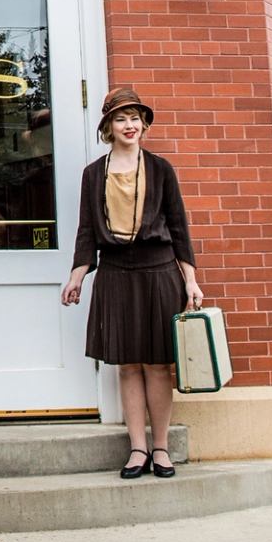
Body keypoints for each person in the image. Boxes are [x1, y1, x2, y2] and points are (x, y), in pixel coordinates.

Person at [60, 87, 203, 479]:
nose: (130, 125)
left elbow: (179, 229)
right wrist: (77, 276)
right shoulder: (94, 174)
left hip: (159, 272)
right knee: (127, 365)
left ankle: (161, 448)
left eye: (136, 118)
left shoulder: (161, 169)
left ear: (144, 124)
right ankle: (136, 449)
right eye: (122, 118)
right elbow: (87, 230)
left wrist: (190, 281)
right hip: (115, 274)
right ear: (109, 125)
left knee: (158, 365)